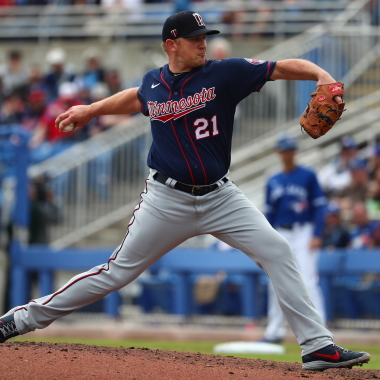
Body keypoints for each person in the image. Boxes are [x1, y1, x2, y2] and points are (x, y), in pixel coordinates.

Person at [0, 10, 370, 371]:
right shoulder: (153, 83)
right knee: (115, 273)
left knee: (277, 251)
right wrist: (91, 110)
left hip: (221, 197)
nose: (203, 45)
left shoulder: (225, 73)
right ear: (171, 45)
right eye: (194, 40)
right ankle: (19, 320)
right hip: (166, 200)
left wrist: (321, 74)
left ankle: (317, 346)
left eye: (204, 38)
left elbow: (280, 67)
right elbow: (137, 98)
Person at [261, 134, 327, 344]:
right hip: (281, 232)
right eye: (285, 149)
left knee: (308, 281)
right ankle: (274, 332)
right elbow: (268, 215)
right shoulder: (273, 180)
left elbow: (319, 207)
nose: (289, 153)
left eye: (291, 149)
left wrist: (317, 234)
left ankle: (322, 332)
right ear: (278, 152)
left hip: (303, 231)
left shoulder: (308, 175)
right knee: (275, 283)